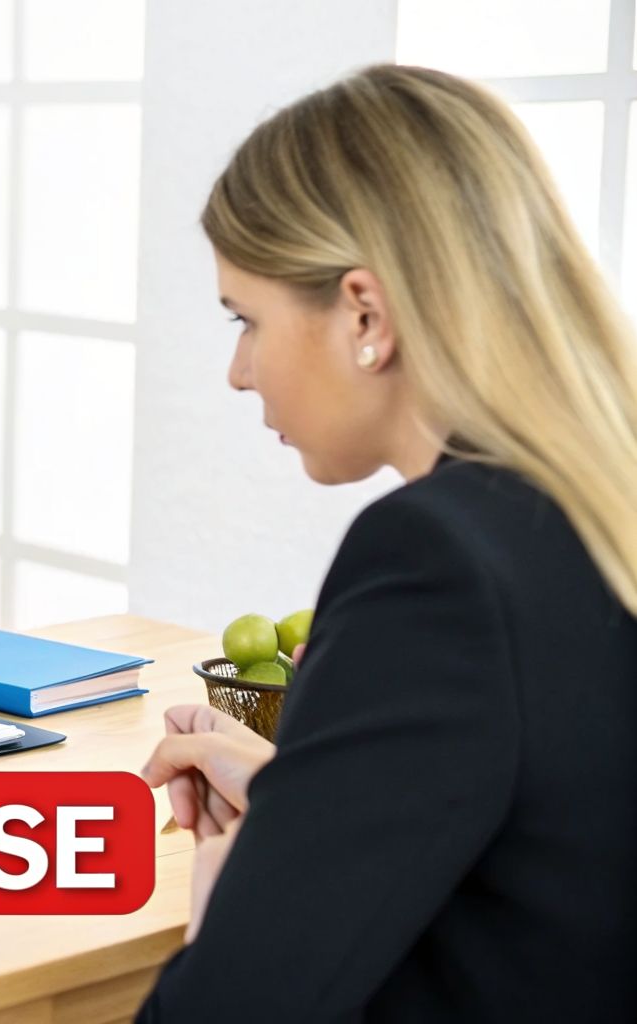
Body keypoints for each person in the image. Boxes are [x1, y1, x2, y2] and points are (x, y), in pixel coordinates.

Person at [137, 64, 637, 1020]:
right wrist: (309, 805)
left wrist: (229, 898)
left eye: (248, 320)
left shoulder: (434, 559)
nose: (240, 373)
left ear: (365, 313)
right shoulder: (591, 512)